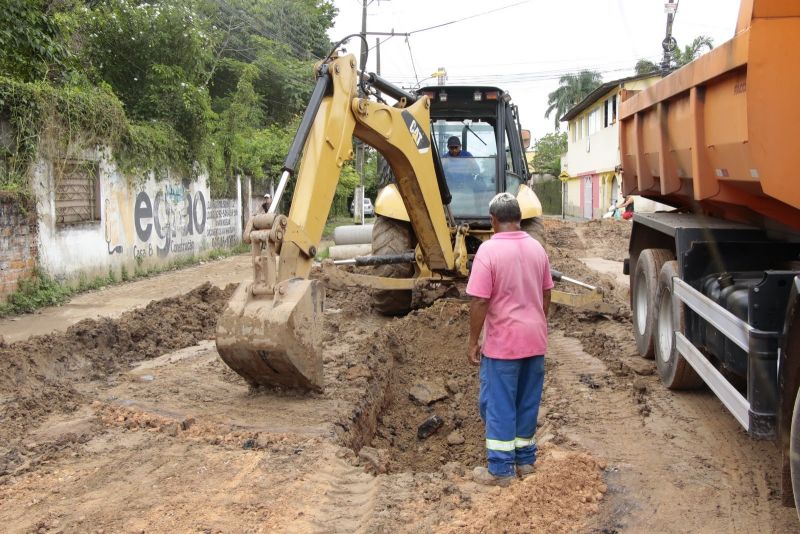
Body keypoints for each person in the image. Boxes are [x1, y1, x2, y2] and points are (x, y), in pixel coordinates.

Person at [466, 192, 554, 486]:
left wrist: (472, 340)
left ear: (493, 220)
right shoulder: (537, 249)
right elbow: (546, 294)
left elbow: (479, 301)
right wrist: (537, 323)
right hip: (534, 340)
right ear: (518, 218)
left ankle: (501, 470)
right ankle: (525, 462)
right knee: (527, 401)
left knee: (499, 403)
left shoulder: (488, 252)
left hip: (504, 344)